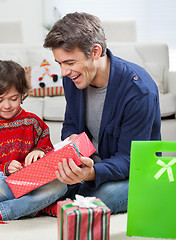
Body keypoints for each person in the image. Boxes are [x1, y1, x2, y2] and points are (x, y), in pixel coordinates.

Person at [42, 12, 161, 214]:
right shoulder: (72, 78)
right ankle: (64, 195)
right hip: (88, 167)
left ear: (95, 52)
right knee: (44, 179)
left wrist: (91, 173)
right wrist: (72, 145)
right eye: (59, 63)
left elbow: (130, 159)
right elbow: (70, 124)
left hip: (131, 173)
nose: (63, 72)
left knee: (105, 196)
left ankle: (56, 199)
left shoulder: (139, 92)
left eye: (70, 63)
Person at [0, 60, 67, 224]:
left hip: (33, 183)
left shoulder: (33, 122)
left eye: (13, 98)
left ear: (22, 94)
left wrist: (39, 151)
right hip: (4, 186)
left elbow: (50, 154)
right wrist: (4, 168)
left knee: (61, 184)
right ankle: (42, 206)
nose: (7, 105)